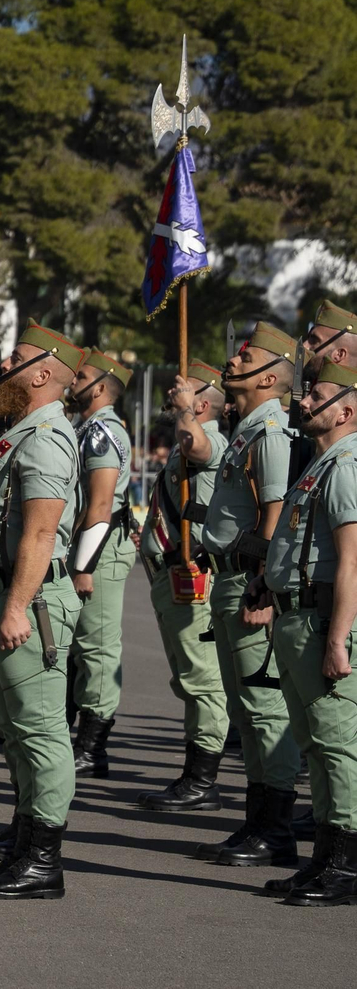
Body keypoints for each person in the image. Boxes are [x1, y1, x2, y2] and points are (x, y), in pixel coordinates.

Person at [0, 319, 83, 900]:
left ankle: (42, 861)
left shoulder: (47, 438)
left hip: (26, 600)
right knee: (14, 732)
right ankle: (24, 838)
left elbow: (40, 533)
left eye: (16, 358)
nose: (3, 365)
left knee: (41, 732)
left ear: (42, 373)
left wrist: (16, 607)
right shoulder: (21, 433)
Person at [176, 322, 302, 869]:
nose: (231, 361)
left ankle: (275, 829)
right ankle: (257, 822)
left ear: (270, 377)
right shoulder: (248, 429)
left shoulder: (271, 430)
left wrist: (264, 585)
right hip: (229, 579)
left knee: (263, 708)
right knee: (245, 710)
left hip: (248, 581)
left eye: (246, 358)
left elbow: (274, 513)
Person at [261, 361, 357, 904]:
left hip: (322, 621)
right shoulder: (320, 464)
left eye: (316, 395)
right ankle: (324, 859)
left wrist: (338, 639)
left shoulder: (346, 466)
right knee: (315, 744)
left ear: (345, 411)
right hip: (297, 617)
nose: (302, 401)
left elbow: (352, 561)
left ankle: (346, 865)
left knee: (337, 744)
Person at [134, 361, 230, 812]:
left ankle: (202, 779)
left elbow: (201, 448)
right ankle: (194, 773)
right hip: (168, 574)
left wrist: (187, 411)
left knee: (202, 679)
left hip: (191, 576)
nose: (173, 398)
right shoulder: (182, 443)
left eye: (183, 393)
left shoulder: (208, 440)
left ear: (202, 404)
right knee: (187, 678)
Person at [65, 349, 137, 777]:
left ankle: (92, 748)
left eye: (81, 376)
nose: (72, 381)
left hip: (99, 547)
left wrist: (84, 565)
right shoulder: (86, 428)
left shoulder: (101, 433)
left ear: (101, 387)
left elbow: (101, 504)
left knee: (97, 646)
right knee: (77, 645)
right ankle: (68, 736)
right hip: (87, 544)